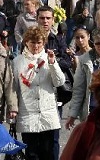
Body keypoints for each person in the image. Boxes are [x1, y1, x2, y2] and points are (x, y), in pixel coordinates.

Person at [13, 26, 65, 160]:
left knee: (49, 153)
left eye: (39, 42)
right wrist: (13, 112)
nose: (35, 46)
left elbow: (59, 82)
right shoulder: (17, 61)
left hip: (48, 113)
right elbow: (14, 88)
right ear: (26, 42)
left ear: (44, 43)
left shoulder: (48, 58)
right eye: (32, 42)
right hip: (28, 113)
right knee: (31, 154)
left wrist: (53, 63)